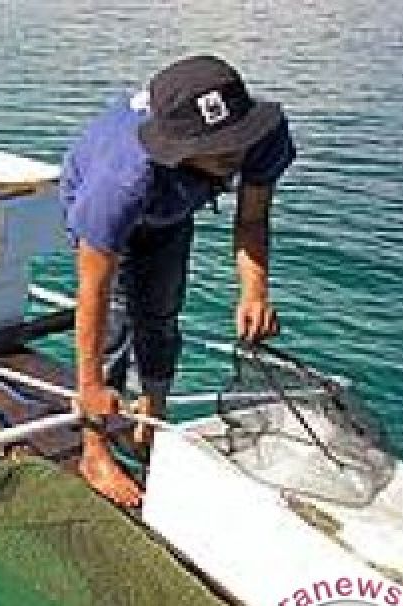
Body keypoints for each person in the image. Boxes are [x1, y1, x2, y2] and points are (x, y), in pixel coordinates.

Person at [60, 54, 296, 507]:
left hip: (172, 210)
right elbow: (93, 287)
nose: (235, 156)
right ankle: (94, 451)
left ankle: (151, 417)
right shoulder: (122, 180)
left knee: (161, 312)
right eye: (221, 150)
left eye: (238, 141)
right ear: (179, 148)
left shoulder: (262, 140)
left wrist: (254, 292)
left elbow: (252, 220)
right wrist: (89, 386)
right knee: (114, 323)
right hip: (102, 202)